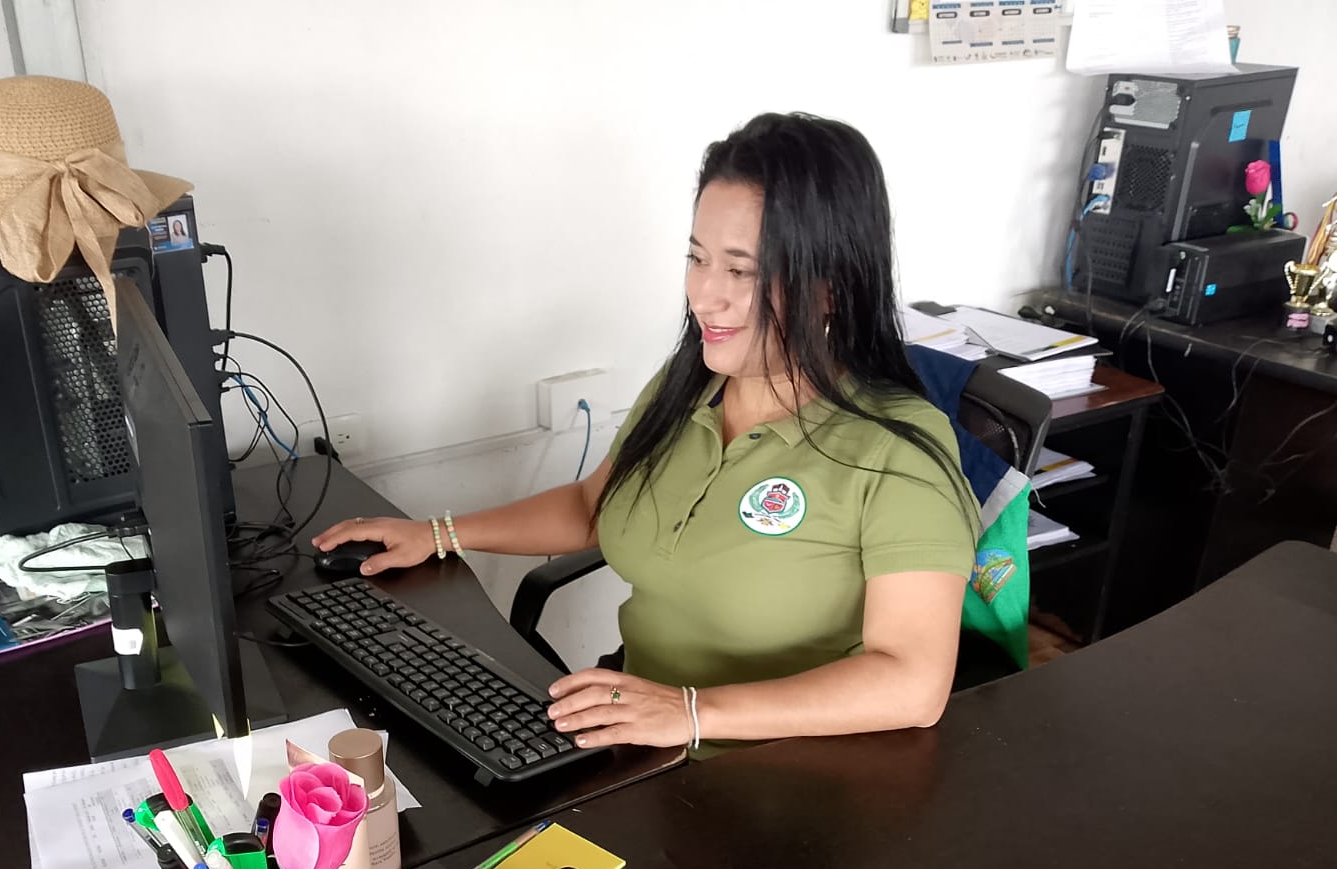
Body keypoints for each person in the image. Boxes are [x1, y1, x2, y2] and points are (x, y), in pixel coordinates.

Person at [314, 113, 977, 756]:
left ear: (830, 288)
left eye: (741, 271)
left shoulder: (896, 452)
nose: (704, 296)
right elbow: (592, 507)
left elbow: (913, 683)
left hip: (781, 772)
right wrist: (438, 533)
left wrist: (690, 712)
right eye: (697, 258)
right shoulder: (689, 384)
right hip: (640, 743)